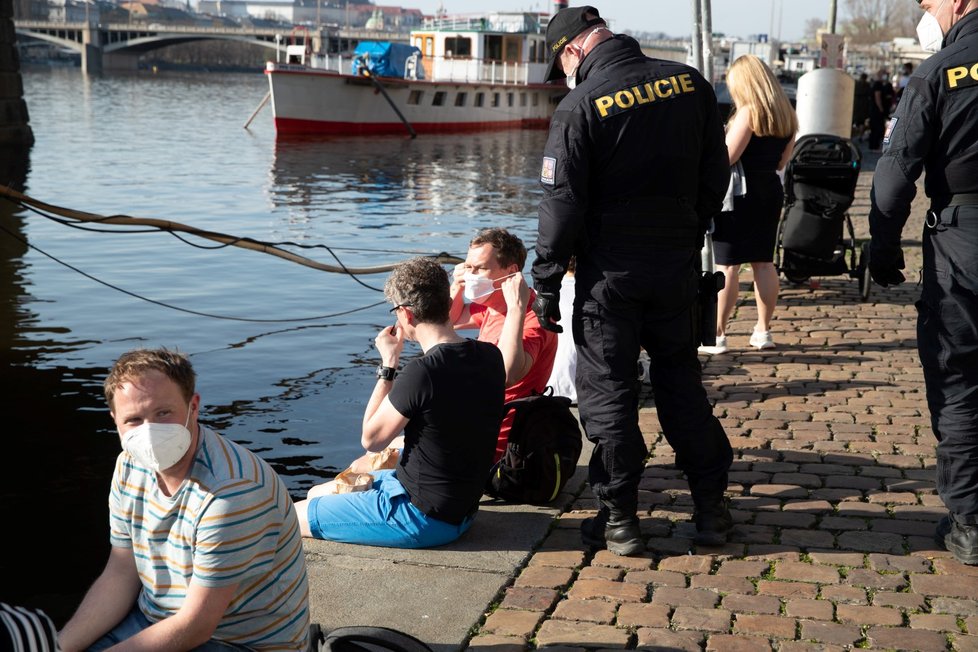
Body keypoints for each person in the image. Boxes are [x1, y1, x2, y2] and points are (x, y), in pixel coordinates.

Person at [530, 5, 734, 555]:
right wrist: (686, 229)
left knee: (609, 393)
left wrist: (546, 279)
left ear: (573, 51)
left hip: (608, 277)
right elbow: (716, 175)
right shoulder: (690, 84)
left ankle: (620, 519)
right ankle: (710, 509)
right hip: (674, 267)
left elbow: (562, 206)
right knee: (681, 384)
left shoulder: (579, 106)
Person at [58, 348, 310, 652]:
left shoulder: (231, 491)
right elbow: (122, 572)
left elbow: (196, 626)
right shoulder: (128, 465)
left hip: (237, 641)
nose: (149, 431)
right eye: (134, 419)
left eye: (163, 413)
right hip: (155, 619)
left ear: (194, 406)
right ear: (115, 420)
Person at [868, 0, 978, 565]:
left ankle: (971, 520)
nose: (923, 11)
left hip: (962, 245)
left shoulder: (938, 72)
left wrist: (884, 252)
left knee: (958, 377)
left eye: (927, 3)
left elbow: (891, 180)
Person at [296, 257, 505, 548]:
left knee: (292, 515)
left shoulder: (424, 371)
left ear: (406, 313)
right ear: (446, 303)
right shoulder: (490, 355)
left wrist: (388, 364)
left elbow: (372, 440)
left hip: (422, 517)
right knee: (317, 493)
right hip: (462, 509)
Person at [699, 54, 798, 354]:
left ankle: (717, 335)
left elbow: (727, 157)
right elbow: (782, 162)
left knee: (728, 266)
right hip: (769, 190)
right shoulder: (786, 115)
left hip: (740, 195)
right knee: (764, 263)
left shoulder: (748, 112)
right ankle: (763, 331)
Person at [449, 228, 558, 461]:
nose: (472, 275)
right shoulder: (494, 303)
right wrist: (457, 287)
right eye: (468, 267)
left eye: (481, 268)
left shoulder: (533, 317)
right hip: (479, 422)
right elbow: (450, 321)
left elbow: (508, 374)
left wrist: (516, 310)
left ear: (511, 272)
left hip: (501, 445)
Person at [868, 67, 894, 151]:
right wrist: (881, 108)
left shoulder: (876, 84)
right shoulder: (878, 85)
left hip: (874, 110)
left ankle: (873, 146)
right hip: (877, 111)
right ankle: (875, 146)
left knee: (875, 128)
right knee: (878, 128)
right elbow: (877, 97)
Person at [852, 72, 872, 140]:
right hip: (864, 104)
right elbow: (870, 94)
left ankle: (853, 134)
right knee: (862, 122)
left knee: (854, 120)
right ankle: (860, 136)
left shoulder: (856, 83)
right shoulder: (867, 85)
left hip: (856, 103)